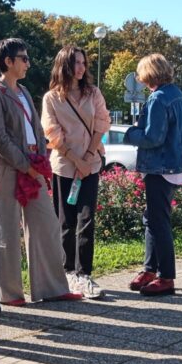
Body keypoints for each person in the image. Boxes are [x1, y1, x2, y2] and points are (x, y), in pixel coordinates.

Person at [0, 38, 82, 305]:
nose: (29, 63)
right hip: (9, 168)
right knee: (7, 230)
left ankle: (51, 288)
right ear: (8, 62)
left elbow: (38, 130)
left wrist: (40, 159)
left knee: (47, 225)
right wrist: (25, 165)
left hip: (33, 165)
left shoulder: (25, 91)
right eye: (24, 58)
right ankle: (9, 294)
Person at [42, 45, 111, 299]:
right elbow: (53, 134)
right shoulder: (51, 98)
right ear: (64, 65)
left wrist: (88, 158)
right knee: (65, 221)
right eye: (76, 63)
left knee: (86, 219)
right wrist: (75, 160)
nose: (81, 68)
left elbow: (102, 124)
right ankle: (67, 272)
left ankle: (85, 274)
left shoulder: (93, 93)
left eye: (84, 63)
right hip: (64, 166)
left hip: (90, 165)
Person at [124, 54, 182, 297]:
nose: (139, 77)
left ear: (149, 74)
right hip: (174, 165)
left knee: (158, 221)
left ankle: (165, 276)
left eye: (140, 72)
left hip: (161, 167)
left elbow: (153, 137)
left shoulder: (159, 98)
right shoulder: (176, 94)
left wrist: (130, 133)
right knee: (153, 218)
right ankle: (150, 269)